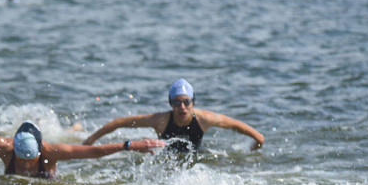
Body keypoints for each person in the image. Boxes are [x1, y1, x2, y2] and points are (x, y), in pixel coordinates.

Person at [0, 118, 165, 180]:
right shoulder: (3, 148)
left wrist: (130, 145)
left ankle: (74, 128)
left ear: (39, 153)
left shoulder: (53, 152)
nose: (23, 166)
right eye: (20, 160)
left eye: (28, 160)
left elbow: (93, 152)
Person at [81, 79, 265, 153]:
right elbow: (121, 122)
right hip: (166, 158)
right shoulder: (160, 120)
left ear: (193, 102)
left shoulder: (204, 119)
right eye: (177, 102)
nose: (182, 107)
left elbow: (235, 125)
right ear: (170, 104)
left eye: (186, 102)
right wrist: (91, 139)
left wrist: (257, 140)